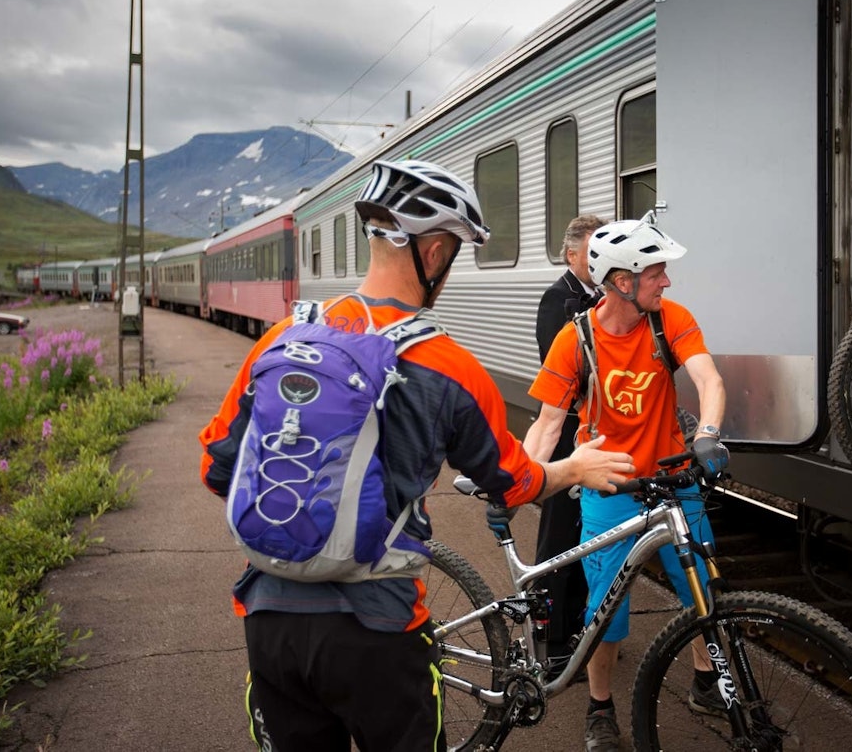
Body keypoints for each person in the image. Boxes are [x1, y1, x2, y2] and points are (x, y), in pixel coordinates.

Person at [198, 159, 634, 752]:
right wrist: (575, 467)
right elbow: (514, 481)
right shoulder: (447, 365)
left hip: (269, 621)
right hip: (377, 633)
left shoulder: (283, 339)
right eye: (453, 254)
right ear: (433, 254)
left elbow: (215, 469)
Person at [523, 218, 729, 752]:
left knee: (704, 592)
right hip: (610, 492)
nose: (667, 282)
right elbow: (547, 424)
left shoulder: (668, 320)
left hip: (672, 485)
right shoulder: (576, 339)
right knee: (605, 611)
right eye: (657, 272)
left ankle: (709, 684)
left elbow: (709, 379)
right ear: (622, 282)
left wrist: (707, 434)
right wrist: (519, 482)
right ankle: (600, 710)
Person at [533, 214, 605, 666]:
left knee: (588, 535)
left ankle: (581, 625)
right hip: (566, 440)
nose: (600, 259)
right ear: (572, 254)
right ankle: (552, 640)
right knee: (559, 537)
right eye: (593, 250)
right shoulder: (557, 299)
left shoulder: (598, 297)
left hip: (591, 437)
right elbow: (558, 371)